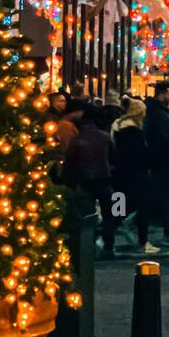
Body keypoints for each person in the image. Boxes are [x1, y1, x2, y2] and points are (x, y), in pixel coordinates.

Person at [62, 103, 118, 258]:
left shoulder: (77, 140)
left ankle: (88, 245)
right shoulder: (104, 137)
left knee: (87, 215)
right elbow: (114, 158)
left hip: (85, 181)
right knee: (109, 214)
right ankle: (109, 245)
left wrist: (69, 181)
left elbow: (70, 163)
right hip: (104, 179)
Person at [111, 98, 159, 254]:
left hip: (118, 172)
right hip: (137, 175)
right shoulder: (135, 132)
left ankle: (107, 240)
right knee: (143, 206)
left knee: (118, 206)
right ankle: (143, 241)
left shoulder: (117, 125)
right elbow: (140, 156)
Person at [143, 84, 169, 247]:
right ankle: (168, 232)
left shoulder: (156, 112)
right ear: (164, 94)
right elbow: (162, 137)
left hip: (161, 160)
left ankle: (163, 231)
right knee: (167, 197)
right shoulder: (159, 114)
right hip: (165, 160)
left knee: (162, 196)